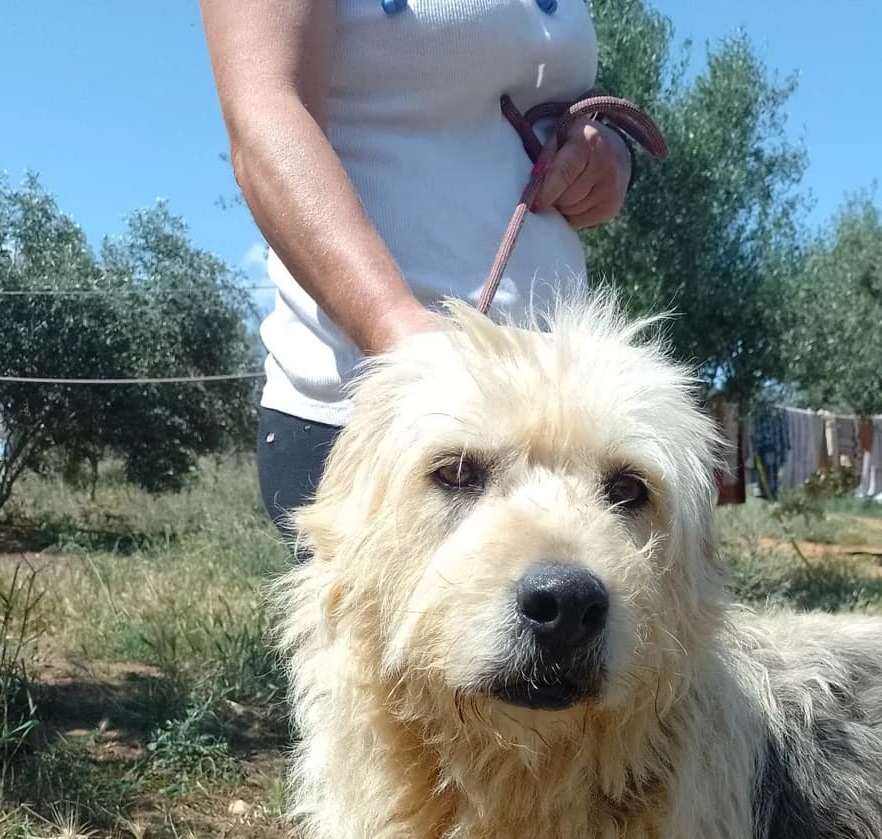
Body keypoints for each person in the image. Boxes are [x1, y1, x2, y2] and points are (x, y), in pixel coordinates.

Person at [201, 0, 635, 839]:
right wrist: (410, 342)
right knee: (397, 779)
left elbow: (512, 103)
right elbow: (263, 114)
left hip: (549, 422)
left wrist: (594, 157)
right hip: (388, 408)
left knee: (566, 781)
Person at [200, 0, 635, 551]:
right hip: (390, 424)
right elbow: (265, 117)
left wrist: (608, 157)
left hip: (562, 426)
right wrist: (398, 334)